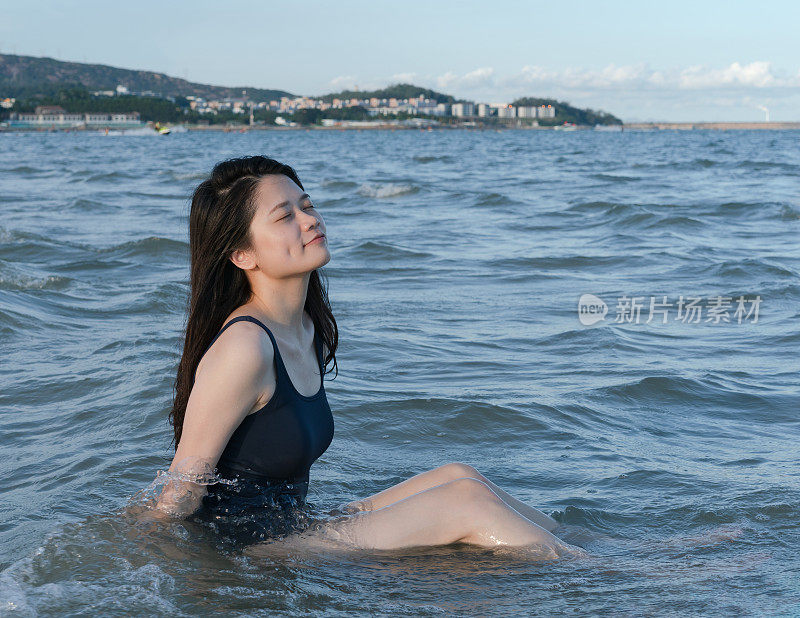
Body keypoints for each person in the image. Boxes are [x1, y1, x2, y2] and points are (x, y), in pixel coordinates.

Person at [154, 155, 582, 557]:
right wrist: (146, 552)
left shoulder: (304, 326)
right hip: (252, 547)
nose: (310, 220)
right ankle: (603, 579)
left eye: (307, 205)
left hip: (296, 525)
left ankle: (595, 546)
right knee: (465, 505)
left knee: (460, 475)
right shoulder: (245, 346)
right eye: (285, 216)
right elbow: (183, 484)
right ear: (241, 255)